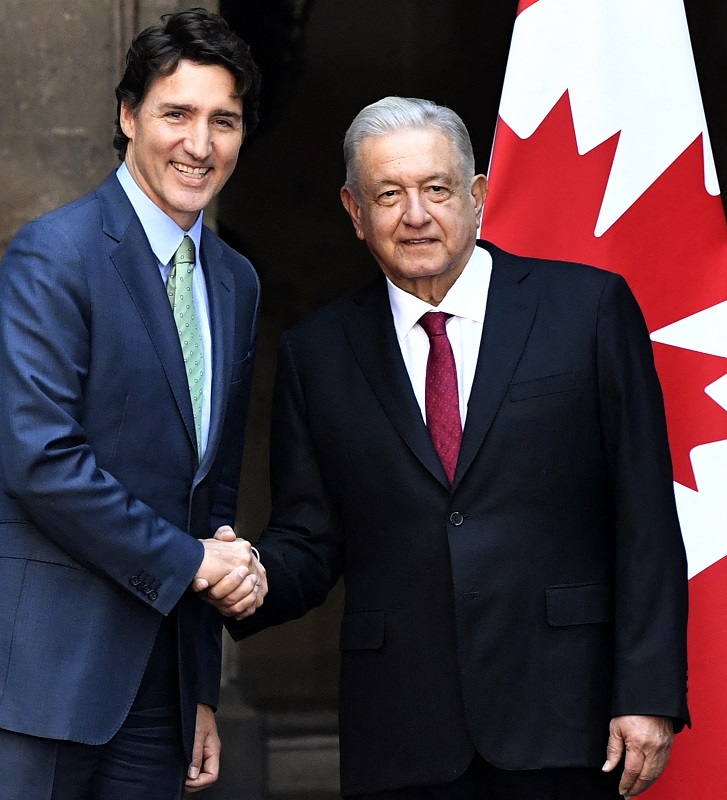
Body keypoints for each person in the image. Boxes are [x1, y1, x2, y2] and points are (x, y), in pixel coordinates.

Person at [213, 96, 689, 799]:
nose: (415, 214)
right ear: (353, 211)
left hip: (563, 718)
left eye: (436, 189)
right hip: (401, 733)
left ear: (476, 196)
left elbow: (645, 516)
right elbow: (311, 540)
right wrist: (244, 576)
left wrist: (648, 691)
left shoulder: (586, 311)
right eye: (389, 194)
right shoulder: (318, 354)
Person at [0, 10, 267, 799]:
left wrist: (201, 688)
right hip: (30, 672)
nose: (199, 143)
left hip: (156, 689)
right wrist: (192, 564)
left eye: (224, 120)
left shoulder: (235, 282)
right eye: (176, 113)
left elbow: (208, 492)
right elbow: (41, 462)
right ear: (127, 116)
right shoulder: (56, 253)